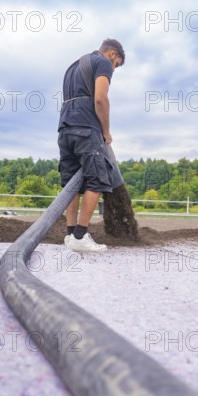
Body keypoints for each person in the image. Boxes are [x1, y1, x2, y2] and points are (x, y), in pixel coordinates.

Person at [57, 38, 125, 252]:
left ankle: (69, 235)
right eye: (116, 65)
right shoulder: (102, 62)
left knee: (71, 185)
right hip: (86, 128)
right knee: (97, 179)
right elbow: (100, 99)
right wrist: (105, 132)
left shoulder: (72, 66)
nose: (113, 69)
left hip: (65, 127)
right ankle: (80, 235)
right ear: (112, 54)